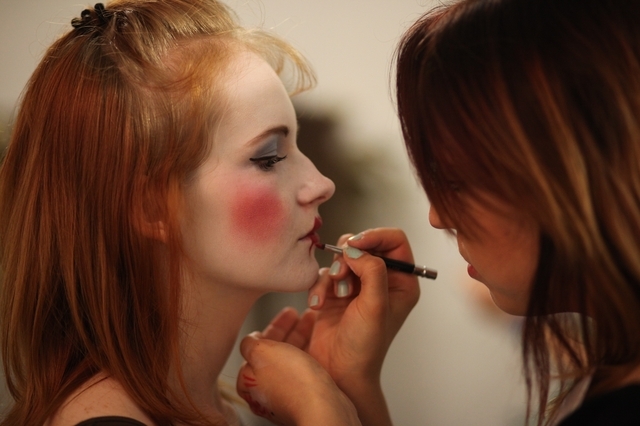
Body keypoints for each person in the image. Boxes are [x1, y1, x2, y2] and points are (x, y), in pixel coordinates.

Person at [236, 0, 640, 425]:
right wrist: (350, 381)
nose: (438, 217)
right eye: (268, 157)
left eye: (456, 182)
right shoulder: (613, 372)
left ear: (579, 170)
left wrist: (318, 408)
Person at [0, 0, 349, 424]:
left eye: (295, 145)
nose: (321, 184)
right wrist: (321, 409)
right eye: (270, 157)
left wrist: (352, 385)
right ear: (152, 208)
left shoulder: (214, 411)